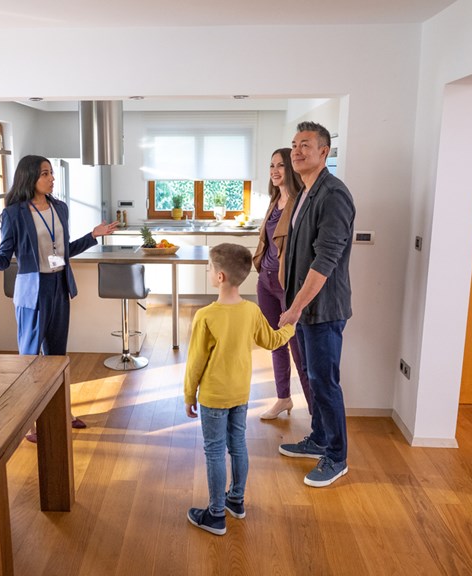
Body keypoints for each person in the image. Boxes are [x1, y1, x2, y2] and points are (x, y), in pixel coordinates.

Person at [0, 155, 118, 441]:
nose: (52, 178)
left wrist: (93, 235)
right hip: (31, 292)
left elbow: (64, 251)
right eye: (45, 173)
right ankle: (27, 422)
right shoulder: (14, 213)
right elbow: (3, 261)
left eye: (51, 173)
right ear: (30, 178)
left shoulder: (60, 208)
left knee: (56, 357)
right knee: (29, 359)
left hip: (59, 287)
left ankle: (62, 412)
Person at [184, 243, 296, 535]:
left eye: (209, 267)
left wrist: (188, 395)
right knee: (238, 446)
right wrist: (291, 326)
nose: (208, 271)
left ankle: (216, 514)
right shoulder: (252, 311)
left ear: (219, 276)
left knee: (214, 452)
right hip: (240, 395)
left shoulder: (206, 316)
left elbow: (195, 363)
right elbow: (272, 341)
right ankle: (236, 501)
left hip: (214, 396)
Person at [277, 121, 355, 488]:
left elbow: (325, 261)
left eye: (305, 145)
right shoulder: (306, 192)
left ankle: (336, 457)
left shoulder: (333, 195)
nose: (296, 151)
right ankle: (320, 437)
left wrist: (293, 309)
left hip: (322, 311)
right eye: (294, 144)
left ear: (324, 152)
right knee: (311, 376)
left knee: (325, 382)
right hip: (306, 309)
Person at [252, 147, 313, 420]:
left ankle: (316, 417)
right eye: (272, 165)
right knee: (275, 342)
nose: (275, 171)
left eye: (281, 165)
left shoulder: (301, 202)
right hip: (265, 282)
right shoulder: (274, 199)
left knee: (300, 352)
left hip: (288, 286)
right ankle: (283, 398)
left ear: (293, 169)